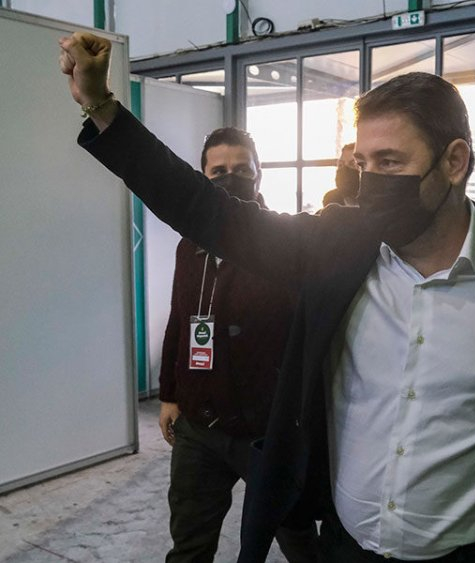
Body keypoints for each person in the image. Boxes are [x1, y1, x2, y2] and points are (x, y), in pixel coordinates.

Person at [60, 33, 475, 563]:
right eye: (363, 162)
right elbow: (209, 213)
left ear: (455, 161)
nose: (372, 182)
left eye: (391, 162)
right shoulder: (337, 246)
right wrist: (101, 105)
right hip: (349, 545)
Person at [157, 127, 317, 562]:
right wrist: (169, 394)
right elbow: (180, 319)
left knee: (298, 538)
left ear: (259, 174)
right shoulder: (190, 245)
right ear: (203, 176)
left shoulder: (286, 242)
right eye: (219, 171)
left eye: (243, 169)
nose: (232, 178)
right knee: (189, 543)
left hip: (268, 430)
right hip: (200, 425)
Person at [322, 142, 359, 207]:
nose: (345, 169)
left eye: (353, 164)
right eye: (341, 165)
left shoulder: (376, 200)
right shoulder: (332, 199)